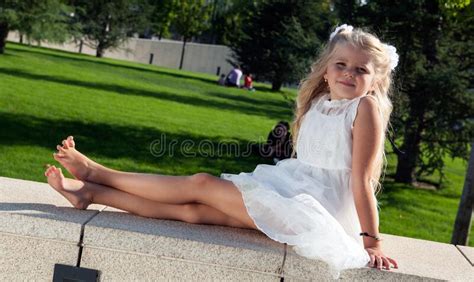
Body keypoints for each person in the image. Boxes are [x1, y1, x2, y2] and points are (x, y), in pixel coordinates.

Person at [44, 24, 399, 277]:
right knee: (194, 213)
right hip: (295, 188)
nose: (349, 74)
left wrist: (372, 242)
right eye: (341, 65)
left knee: (201, 185)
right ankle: (90, 193)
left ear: (375, 79)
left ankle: (96, 173)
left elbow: (361, 181)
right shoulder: (320, 102)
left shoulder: (364, 108)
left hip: (318, 209)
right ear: (326, 70)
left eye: (360, 70)